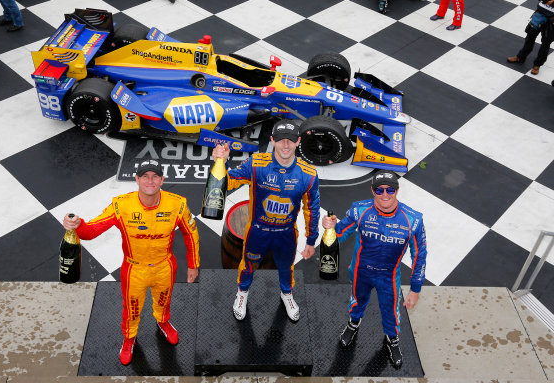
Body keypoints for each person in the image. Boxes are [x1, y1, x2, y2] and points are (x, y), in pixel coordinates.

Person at [62, 159, 200, 366]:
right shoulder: (121, 204)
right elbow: (92, 231)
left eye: (155, 176)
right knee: (132, 309)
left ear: (162, 180)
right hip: (134, 269)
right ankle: (129, 338)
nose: (150, 181)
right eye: (145, 176)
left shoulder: (177, 204)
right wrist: (77, 225)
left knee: (164, 301)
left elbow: (192, 233)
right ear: (136, 179)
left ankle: (163, 322)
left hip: (165, 266)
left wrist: (193, 264)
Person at [212, 120, 320, 323]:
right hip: (258, 231)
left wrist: (311, 240)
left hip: (286, 233)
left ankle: (287, 294)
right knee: (248, 266)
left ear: (298, 141)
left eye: (290, 140)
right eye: (280, 140)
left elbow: (311, 209)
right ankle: (242, 293)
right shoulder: (256, 163)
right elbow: (228, 182)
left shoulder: (309, 174)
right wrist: (222, 161)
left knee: (287, 267)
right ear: (272, 140)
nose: (285, 145)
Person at [321, 170, 427, 368]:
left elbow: (420, 254)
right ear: (372, 190)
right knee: (357, 302)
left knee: (391, 311)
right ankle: (353, 324)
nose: (385, 194)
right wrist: (328, 226)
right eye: (379, 190)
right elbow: (338, 235)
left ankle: (392, 340)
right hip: (361, 272)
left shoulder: (413, 220)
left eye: (390, 189)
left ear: (397, 190)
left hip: (389, 276)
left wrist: (415, 288)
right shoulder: (359, 210)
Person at [507, 0, 554, 75]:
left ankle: (537, 65)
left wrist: (552, 3)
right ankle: (521, 57)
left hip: (551, 21)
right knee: (530, 37)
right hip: (539, 15)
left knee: (545, 44)